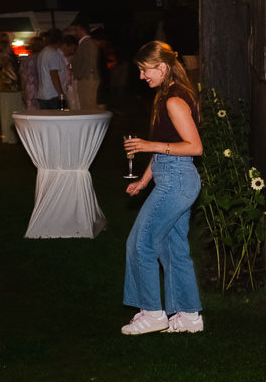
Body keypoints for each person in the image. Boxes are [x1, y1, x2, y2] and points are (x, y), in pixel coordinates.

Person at [120, 41, 204, 335]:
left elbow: (194, 147)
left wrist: (148, 145)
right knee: (173, 249)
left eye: (145, 70)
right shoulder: (167, 95)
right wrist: (144, 181)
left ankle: (153, 313)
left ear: (163, 67)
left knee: (140, 243)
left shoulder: (173, 101)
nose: (142, 76)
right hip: (174, 178)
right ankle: (189, 316)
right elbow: (166, 150)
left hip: (176, 181)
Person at [0, 33, 23, 143]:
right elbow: (14, 75)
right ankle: (12, 137)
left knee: (5, 113)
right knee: (14, 112)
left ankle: (7, 136)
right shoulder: (6, 57)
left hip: (2, 89)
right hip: (12, 88)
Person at [70, 19, 100, 110]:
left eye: (76, 30)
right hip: (88, 76)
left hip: (87, 77)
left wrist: (79, 75)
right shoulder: (86, 43)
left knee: (87, 105)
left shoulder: (87, 43)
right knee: (87, 104)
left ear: (81, 29)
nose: (75, 33)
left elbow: (87, 61)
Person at [36, 28, 67, 110]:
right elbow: (54, 74)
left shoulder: (43, 52)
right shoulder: (53, 54)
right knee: (60, 116)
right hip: (53, 94)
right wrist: (61, 94)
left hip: (43, 94)